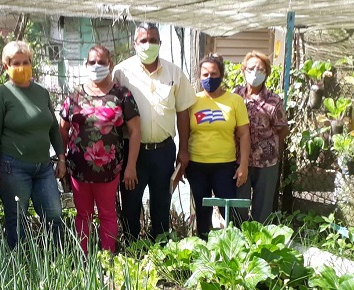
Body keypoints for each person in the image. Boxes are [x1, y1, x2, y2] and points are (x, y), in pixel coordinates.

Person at [112, 23, 196, 241]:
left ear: (160, 43)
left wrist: (184, 150)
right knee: (130, 206)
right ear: (134, 44)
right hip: (133, 153)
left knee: (161, 207)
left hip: (164, 151)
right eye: (143, 40)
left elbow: (183, 112)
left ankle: (160, 256)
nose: (148, 45)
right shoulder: (121, 72)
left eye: (153, 40)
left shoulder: (174, 72)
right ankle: (132, 254)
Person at [60, 45, 141, 254]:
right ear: (86, 65)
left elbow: (135, 132)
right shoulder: (75, 95)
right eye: (92, 62)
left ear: (110, 64)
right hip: (78, 169)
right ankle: (83, 260)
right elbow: (62, 129)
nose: (97, 66)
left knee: (107, 214)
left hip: (109, 169)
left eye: (102, 62)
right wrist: (61, 160)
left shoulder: (122, 95)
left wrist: (131, 165)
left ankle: (108, 261)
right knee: (82, 214)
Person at [0, 41, 65, 248]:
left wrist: (62, 158)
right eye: (16, 63)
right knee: (17, 220)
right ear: (6, 66)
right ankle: (19, 265)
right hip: (14, 168)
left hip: (44, 167)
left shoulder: (41, 93)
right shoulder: (0, 96)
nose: (22, 66)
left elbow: (54, 128)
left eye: (26, 62)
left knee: (54, 215)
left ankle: (57, 262)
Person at [186, 54, 249, 238]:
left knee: (229, 213)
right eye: (205, 74)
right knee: (202, 213)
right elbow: (185, 132)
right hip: (196, 166)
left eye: (214, 74)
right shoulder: (192, 101)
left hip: (224, 166)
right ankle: (203, 251)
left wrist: (243, 165)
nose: (209, 78)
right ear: (199, 76)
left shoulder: (235, 101)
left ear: (221, 75)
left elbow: (244, 134)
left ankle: (234, 250)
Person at [233, 50, 288, 224]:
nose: (255, 72)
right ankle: (239, 242)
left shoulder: (274, 100)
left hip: (266, 162)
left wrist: (270, 148)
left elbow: (282, 129)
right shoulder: (235, 96)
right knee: (238, 205)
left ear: (267, 73)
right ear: (243, 70)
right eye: (251, 68)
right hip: (239, 160)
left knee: (263, 208)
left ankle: (261, 244)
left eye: (261, 69)